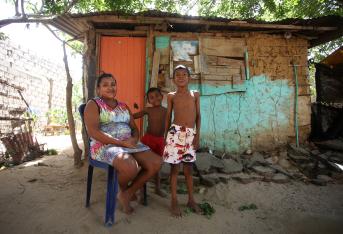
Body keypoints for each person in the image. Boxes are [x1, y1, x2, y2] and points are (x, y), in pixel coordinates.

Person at [84, 73, 162, 214]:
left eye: (113, 84)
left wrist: (133, 139)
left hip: (128, 143)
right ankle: (124, 189)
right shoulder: (93, 104)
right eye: (105, 85)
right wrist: (120, 143)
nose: (110, 87)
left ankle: (126, 193)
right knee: (131, 167)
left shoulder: (124, 106)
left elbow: (134, 128)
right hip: (104, 146)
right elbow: (93, 132)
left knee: (156, 162)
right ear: (98, 89)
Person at [163, 65, 202, 217]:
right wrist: (166, 136)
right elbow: (168, 117)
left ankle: (191, 199)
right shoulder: (171, 96)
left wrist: (197, 135)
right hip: (175, 134)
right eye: (177, 75)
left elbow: (198, 116)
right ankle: (174, 201)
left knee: (188, 169)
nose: (180, 77)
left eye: (184, 74)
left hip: (190, 134)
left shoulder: (195, 94)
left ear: (189, 78)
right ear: (173, 79)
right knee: (174, 169)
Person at [133, 87, 167, 198]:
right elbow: (136, 115)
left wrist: (168, 140)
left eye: (157, 96)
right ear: (148, 101)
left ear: (162, 97)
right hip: (148, 140)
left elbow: (170, 126)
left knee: (158, 167)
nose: (155, 99)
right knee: (145, 165)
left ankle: (157, 188)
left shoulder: (166, 110)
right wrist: (127, 115)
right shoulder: (148, 110)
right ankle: (142, 190)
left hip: (160, 141)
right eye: (151, 97)